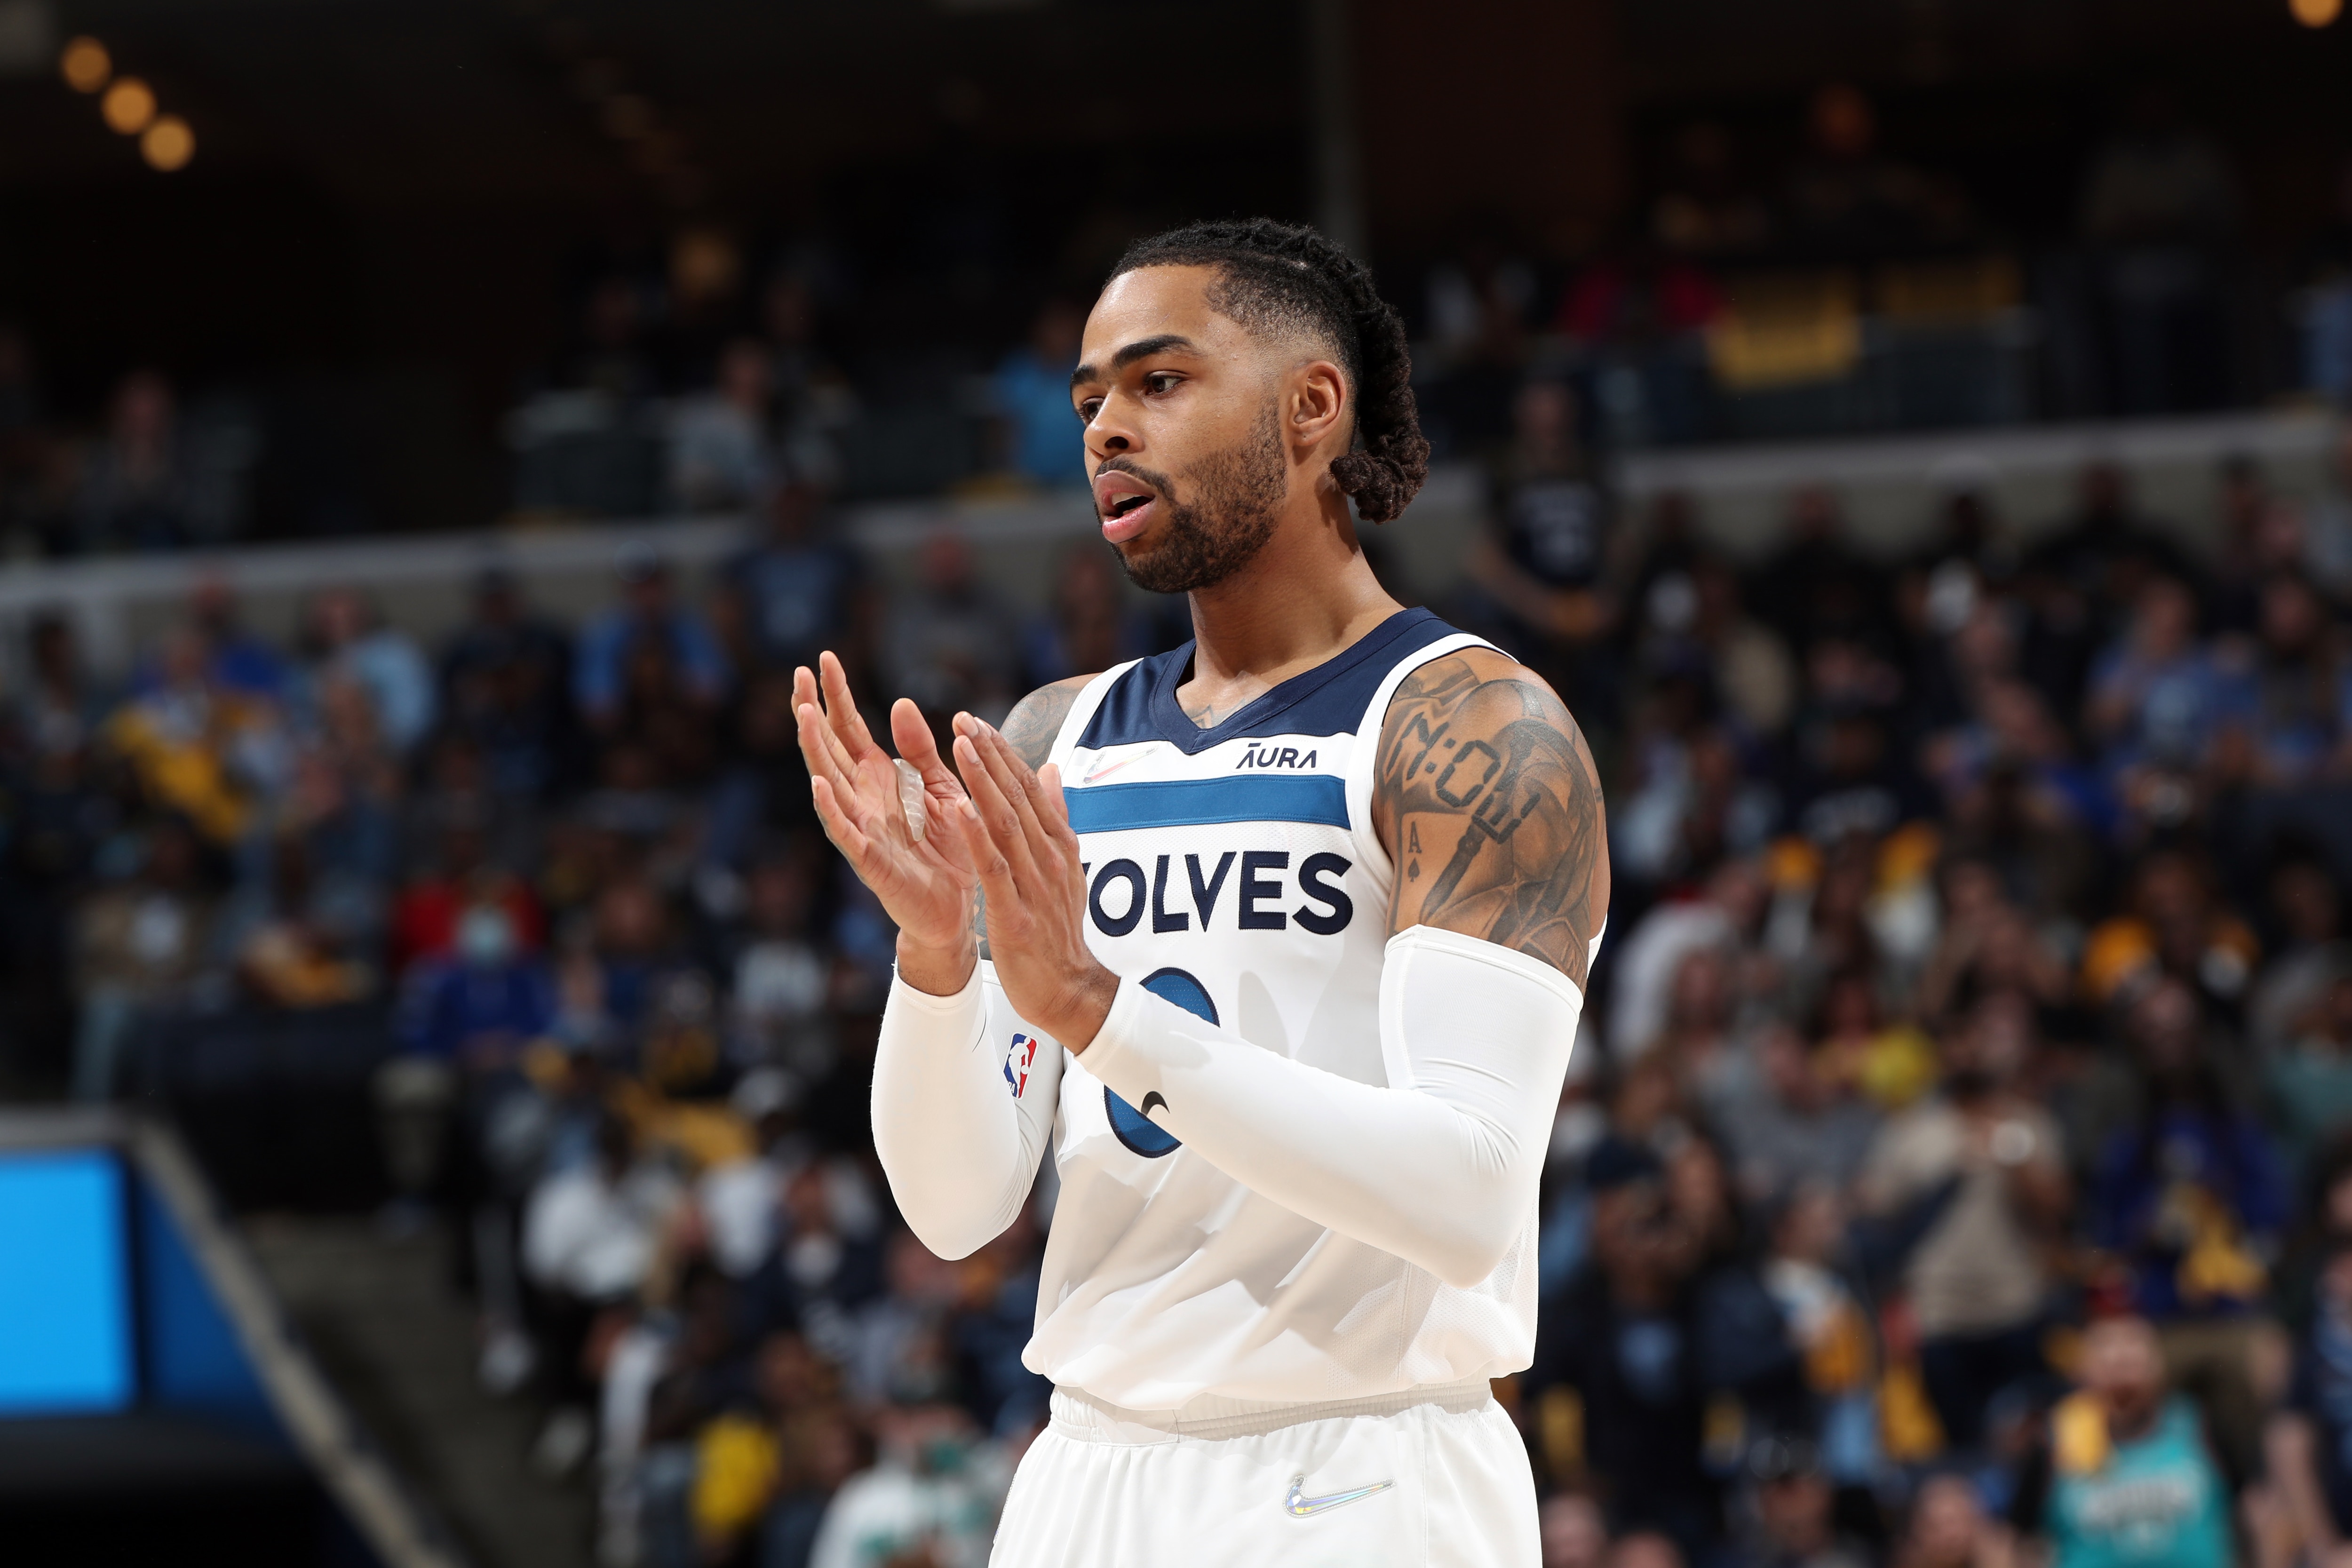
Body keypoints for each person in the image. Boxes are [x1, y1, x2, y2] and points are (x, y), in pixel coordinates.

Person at [794, 219, 1609, 1565]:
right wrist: (937, 962)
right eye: (1090, 399)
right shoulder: (1059, 740)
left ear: (1311, 406)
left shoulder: (1468, 726)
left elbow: (1470, 1196)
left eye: (1159, 382)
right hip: (1087, 1468)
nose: (1108, 426)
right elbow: (957, 1211)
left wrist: (1100, 1014)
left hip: (1363, 1468)